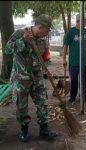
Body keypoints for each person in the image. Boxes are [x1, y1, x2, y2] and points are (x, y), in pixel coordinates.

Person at [5, 14, 58, 142]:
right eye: (48, 30)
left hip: (36, 76)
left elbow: (41, 57)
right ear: (40, 27)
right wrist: (22, 40)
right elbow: (7, 50)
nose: (48, 33)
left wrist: (45, 67)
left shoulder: (42, 40)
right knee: (21, 105)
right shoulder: (20, 33)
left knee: (42, 101)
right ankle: (24, 130)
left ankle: (44, 129)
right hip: (21, 77)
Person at [63, 14, 86, 104]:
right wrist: (64, 58)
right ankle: (73, 96)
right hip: (73, 61)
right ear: (79, 20)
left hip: (84, 61)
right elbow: (65, 46)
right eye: (85, 20)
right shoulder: (70, 32)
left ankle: (83, 96)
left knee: (83, 80)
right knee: (74, 80)